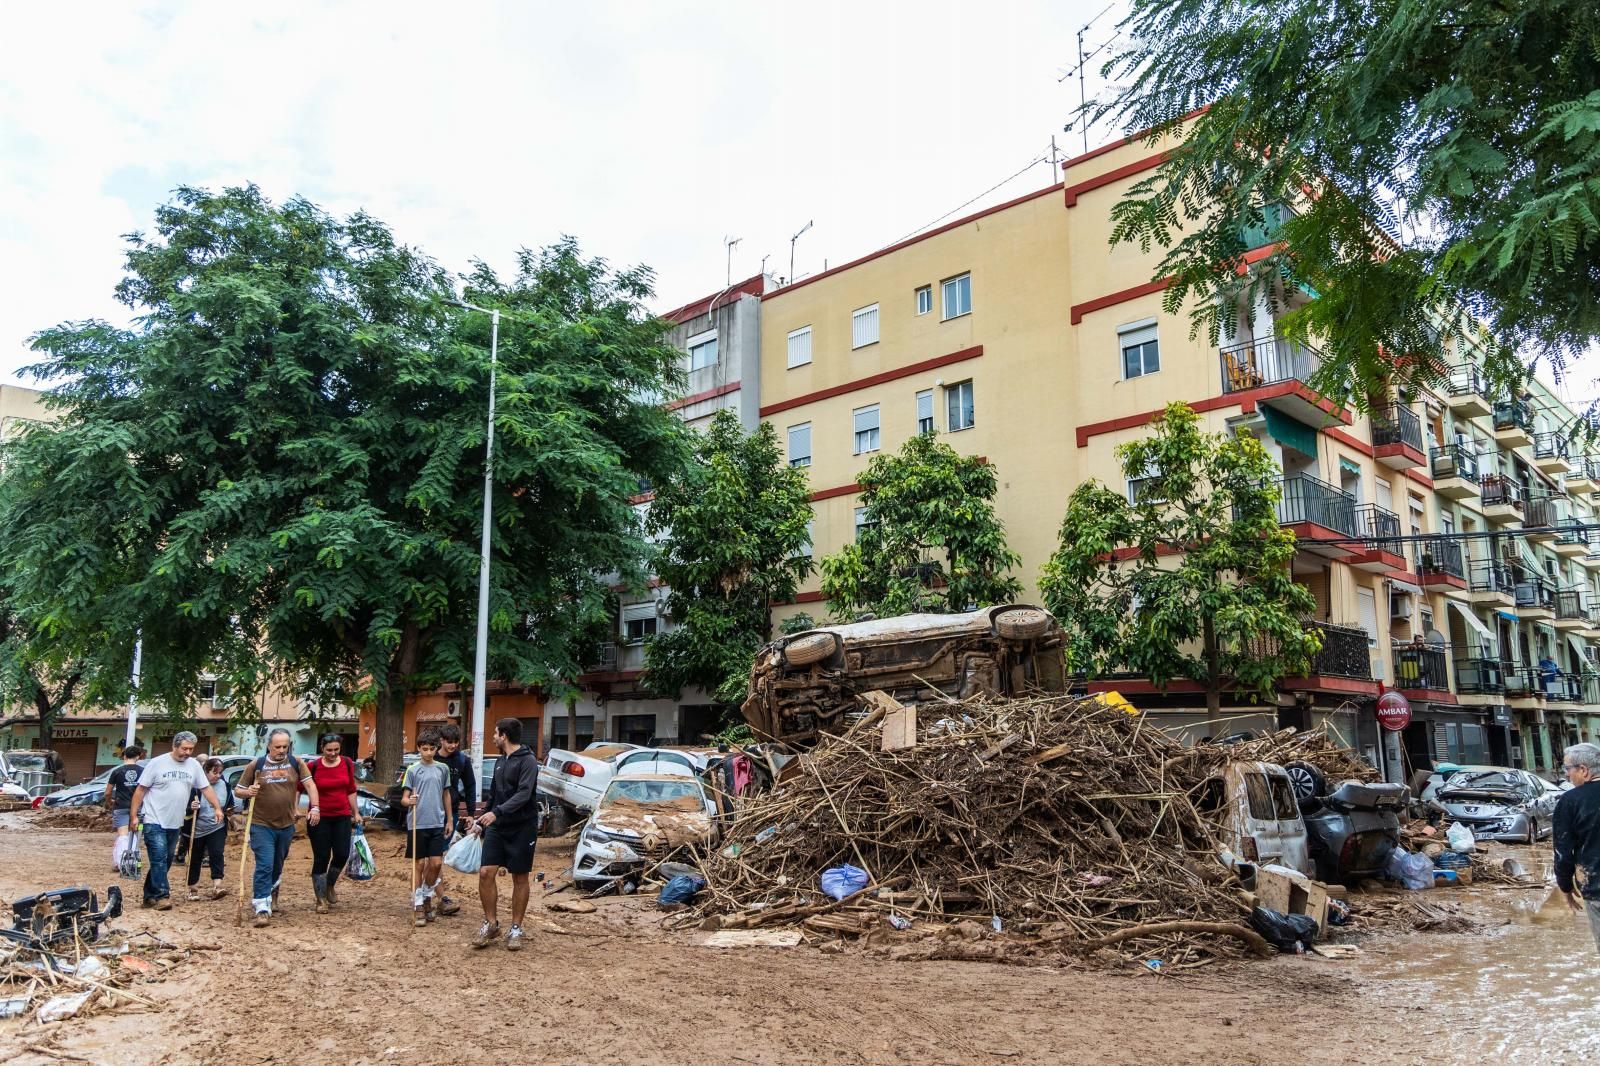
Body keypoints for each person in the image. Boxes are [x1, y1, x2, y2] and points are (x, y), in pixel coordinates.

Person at [128, 733, 224, 911]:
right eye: (184, 748)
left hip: (175, 822)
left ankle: (149, 896)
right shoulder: (157, 763)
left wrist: (217, 807)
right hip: (153, 819)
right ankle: (163, 895)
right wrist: (133, 816)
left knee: (166, 860)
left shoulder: (194, 765)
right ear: (175, 746)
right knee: (158, 858)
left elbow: (206, 787)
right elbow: (140, 791)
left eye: (191, 749)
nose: (187, 752)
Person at [235, 729, 319, 928]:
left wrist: (314, 807)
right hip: (260, 824)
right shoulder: (257, 765)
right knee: (264, 863)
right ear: (269, 746)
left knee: (276, 864)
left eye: (285, 746)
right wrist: (248, 792)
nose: (282, 750)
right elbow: (238, 790)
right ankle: (261, 907)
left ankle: (272, 894)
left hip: (286, 824)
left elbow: (310, 786)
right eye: (278, 747)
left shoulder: (296, 763)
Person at [473, 718, 539, 951]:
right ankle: (491, 924)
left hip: (522, 826)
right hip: (498, 826)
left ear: (504, 736)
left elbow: (523, 795)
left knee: (519, 878)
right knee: (485, 873)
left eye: (495, 732)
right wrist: (482, 820)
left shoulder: (528, 761)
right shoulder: (501, 760)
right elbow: (493, 796)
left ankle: (515, 929)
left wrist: (496, 813)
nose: (493, 736)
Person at [402, 730, 454, 926]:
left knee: (436, 863)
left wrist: (449, 820)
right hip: (417, 822)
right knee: (419, 864)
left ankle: (425, 894)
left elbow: (446, 795)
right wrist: (410, 801)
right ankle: (418, 904)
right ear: (418, 749)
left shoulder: (443, 769)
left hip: (436, 821)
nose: (429, 753)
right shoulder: (413, 770)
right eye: (425, 749)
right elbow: (405, 798)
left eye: (432, 749)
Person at [305, 733, 362, 913]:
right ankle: (320, 898)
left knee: (342, 854)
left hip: (342, 816)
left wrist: (356, 812)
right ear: (322, 748)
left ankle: (330, 884)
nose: (333, 753)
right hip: (318, 818)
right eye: (329, 750)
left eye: (336, 750)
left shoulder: (346, 763)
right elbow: (300, 788)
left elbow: (351, 789)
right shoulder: (313, 766)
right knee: (321, 857)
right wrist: (294, 808)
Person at [1555, 742, 1600, 948]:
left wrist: (1565, 885)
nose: (1566, 775)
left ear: (1583, 770)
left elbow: (1563, 851)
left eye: (1567, 769)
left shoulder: (1571, 801)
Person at [432, 723, 478, 917]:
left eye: (455, 742)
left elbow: (470, 785)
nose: (452, 746)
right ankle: (430, 897)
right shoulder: (431, 757)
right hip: (430, 812)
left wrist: (470, 813)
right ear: (441, 740)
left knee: (437, 857)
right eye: (449, 742)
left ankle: (439, 897)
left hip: (451, 814)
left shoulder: (462, 760)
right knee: (430, 859)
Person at [185, 759, 233, 901]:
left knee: (217, 854)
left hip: (217, 826)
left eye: (220, 773)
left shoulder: (226, 786)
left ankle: (217, 886)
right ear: (205, 771)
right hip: (196, 828)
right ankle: (193, 888)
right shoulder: (193, 786)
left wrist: (228, 811)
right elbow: (182, 806)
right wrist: (190, 807)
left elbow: (229, 804)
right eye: (214, 772)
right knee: (195, 857)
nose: (217, 776)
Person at [103, 744, 145, 873]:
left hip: (120, 806)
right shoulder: (143, 771)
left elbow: (107, 792)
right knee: (135, 835)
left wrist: (109, 802)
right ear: (138, 756)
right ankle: (133, 862)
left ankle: (120, 863)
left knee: (122, 835)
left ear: (124, 756)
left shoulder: (116, 771)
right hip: (138, 807)